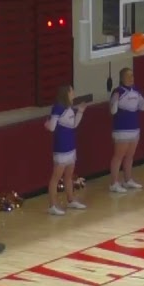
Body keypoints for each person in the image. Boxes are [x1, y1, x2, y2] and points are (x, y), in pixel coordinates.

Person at [44, 84, 88, 216]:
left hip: (71, 147)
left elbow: (73, 125)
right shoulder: (58, 108)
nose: (74, 93)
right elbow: (52, 127)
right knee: (56, 178)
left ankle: (71, 200)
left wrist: (80, 111)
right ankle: (52, 205)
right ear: (66, 93)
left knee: (69, 176)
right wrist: (47, 125)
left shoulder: (69, 108)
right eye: (72, 91)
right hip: (61, 148)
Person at [108, 67, 144, 193]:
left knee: (130, 156)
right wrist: (116, 99)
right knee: (118, 156)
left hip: (134, 129)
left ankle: (128, 180)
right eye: (128, 76)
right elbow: (113, 111)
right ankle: (114, 183)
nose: (131, 78)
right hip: (121, 130)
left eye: (132, 75)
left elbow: (142, 107)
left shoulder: (136, 90)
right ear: (122, 78)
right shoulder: (118, 91)